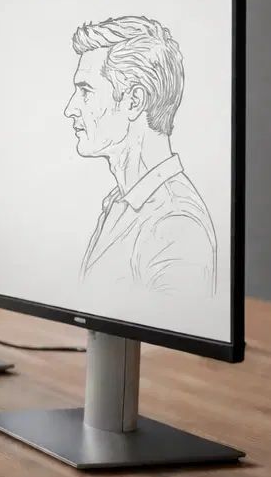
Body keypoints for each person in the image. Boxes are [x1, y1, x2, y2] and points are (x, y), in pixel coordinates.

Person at [63, 15, 217, 296]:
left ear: (134, 101)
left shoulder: (175, 223)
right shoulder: (120, 203)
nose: (70, 109)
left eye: (85, 91)